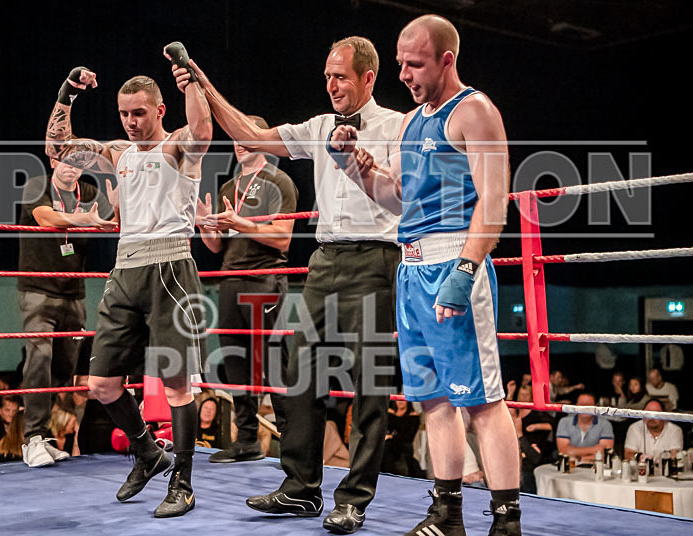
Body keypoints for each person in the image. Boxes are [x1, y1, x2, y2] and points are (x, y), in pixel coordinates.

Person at [175, 36, 404, 533]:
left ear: (368, 78)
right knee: (297, 367)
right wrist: (204, 85)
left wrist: (367, 165)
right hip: (324, 261)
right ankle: (301, 488)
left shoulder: (398, 127)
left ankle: (354, 499)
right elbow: (251, 135)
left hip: (377, 259)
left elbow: (408, 198)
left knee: (369, 383)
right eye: (326, 75)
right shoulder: (320, 126)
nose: (331, 84)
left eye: (341, 75)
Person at [328, 13, 522, 535]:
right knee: (433, 400)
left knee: (481, 400)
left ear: (445, 59)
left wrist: (466, 267)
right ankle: (447, 513)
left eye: (415, 64)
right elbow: (398, 199)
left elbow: (494, 200)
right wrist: (356, 166)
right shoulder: (414, 123)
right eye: (400, 65)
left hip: (454, 259)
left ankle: (506, 521)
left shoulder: (473, 110)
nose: (406, 75)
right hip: (411, 268)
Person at [45, 55, 212, 519]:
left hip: (171, 268)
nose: (131, 122)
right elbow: (58, 150)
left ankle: (182, 481)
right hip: (124, 270)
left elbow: (202, 130)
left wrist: (190, 80)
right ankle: (146, 452)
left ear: (160, 110)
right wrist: (67, 94)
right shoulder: (118, 152)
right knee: (101, 383)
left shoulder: (178, 147)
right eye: (124, 114)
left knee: (178, 384)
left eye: (139, 113)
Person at [198, 114, 297, 463]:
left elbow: (283, 239)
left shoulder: (278, 181)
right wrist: (206, 225)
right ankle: (248, 441)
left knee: (274, 364)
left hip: (265, 279)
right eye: (235, 138)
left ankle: (294, 443)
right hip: (229, 281)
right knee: (237, 364)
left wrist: (240, 222)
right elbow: (218, 246)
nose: (239, 142)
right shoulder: (229, 187)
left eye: (245, 136)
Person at [18, 146, 116, 468]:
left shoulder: (88, 191)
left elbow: (108, 219)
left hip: (74, 294)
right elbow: (45, 218)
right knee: (39, 356)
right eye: (66, 161)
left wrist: (118, 203)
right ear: (53, 160)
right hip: (38, 290)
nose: (72, 168)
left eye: (78, 162)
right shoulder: (37, 186)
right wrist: (81, 219)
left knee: (64, 369)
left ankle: (45, 438)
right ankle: (32, 438)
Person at [555, 394, 614, 462]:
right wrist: (596, 450)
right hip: (570, 467)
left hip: (595, 467)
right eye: (581, 404)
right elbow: (563, 451)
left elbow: (606, 453)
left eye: (589, 404)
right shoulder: (564, 422)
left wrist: (579, 458)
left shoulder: (605, 424)